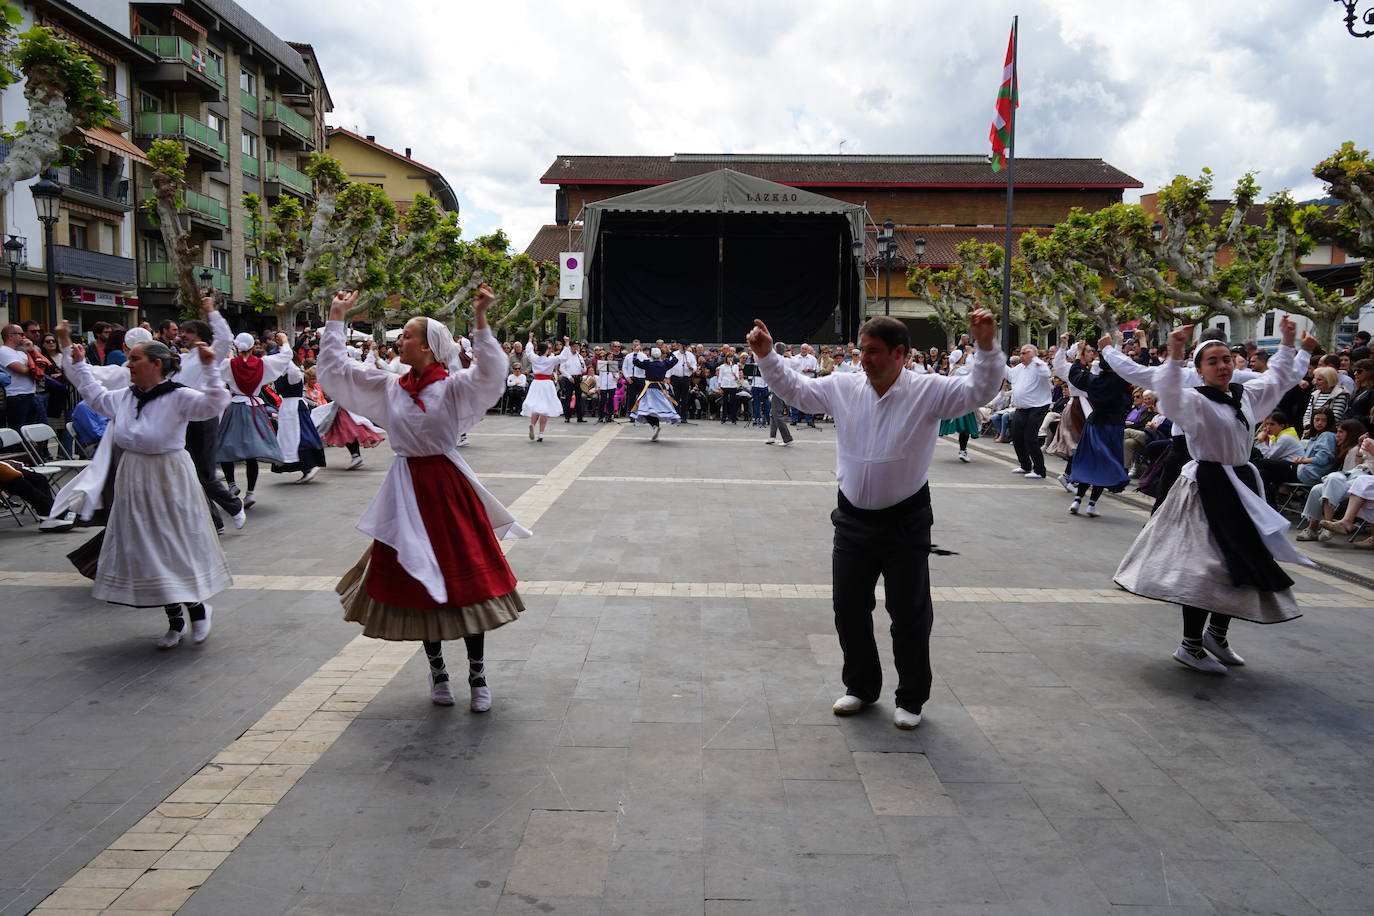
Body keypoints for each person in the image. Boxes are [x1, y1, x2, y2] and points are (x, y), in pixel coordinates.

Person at [749, 309, 1004, 728]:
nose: (864, 359)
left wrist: (986, 345)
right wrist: (766, 357)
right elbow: (797, 390)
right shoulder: (844, 385)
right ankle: (861, 687)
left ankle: (911, 697)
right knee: (848, 608)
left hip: (905, 520)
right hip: (851, 519)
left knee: (908, 613)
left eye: (874, 352)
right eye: (861, 351)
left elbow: (980, 389)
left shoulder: (929, 390)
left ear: (900, 354)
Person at [319, 287, 529, 709]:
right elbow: (336, 374)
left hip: (447, 489)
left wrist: (481, 319)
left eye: (409, 335)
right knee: (418, 584)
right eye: (402, 336)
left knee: (464, 581)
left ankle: (478, 676)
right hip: (406, 489)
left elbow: (492, 372)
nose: (401, 340)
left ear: (430, 347)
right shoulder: (389, 387)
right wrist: (336, 319)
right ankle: (437, 672)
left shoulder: (453, 388)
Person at [1114, 317, 1319, 675]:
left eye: (1227, 359)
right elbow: (1170, 394)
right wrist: (1175, 353)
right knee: (1206, 567)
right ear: (1199, 369)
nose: (1223, 365)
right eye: (1213, 361)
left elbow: (1278, 380)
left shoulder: (1244, 395)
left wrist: (1289, 345)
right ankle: (1190, 644)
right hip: (1207, 486)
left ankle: (1216, 636)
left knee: (1239, 561)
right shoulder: (1193, 400)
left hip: (1240, 484)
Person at [66, 337, 231, 648]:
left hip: (169, 474)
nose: (129, 365)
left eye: (136, 359)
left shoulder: (179, 396)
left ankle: (197, 609)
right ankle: (175, 620)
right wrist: (78, 364)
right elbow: (95, 396)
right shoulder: (125, 398)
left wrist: (210, 368)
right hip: (134, 475)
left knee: (173, 542)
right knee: (145, 546)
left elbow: (214, 404)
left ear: (157, 364)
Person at [216, 332, 294, 508]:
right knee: (252, 452)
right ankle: (250, 493)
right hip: (254, 408)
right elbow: (286, 356)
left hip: (235, 407)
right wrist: (285, 341)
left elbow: (211, 363)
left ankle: (231, 485)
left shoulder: (228, 364)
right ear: (253, 348)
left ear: (236, 348)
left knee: (226, 446)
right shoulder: (263, 363)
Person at [1064, 335, 1133, 517]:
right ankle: (1091, 504)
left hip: (1094, 426)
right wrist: (1140, 342)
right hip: (1113, 427)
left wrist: (1079, 354)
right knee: (1105, 466)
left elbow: (1074, 374)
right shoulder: (1121, 382)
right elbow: (1140, 366)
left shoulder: (1093, 381)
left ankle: (1078, 500)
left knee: (1089, 462)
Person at [269, 349, 327, 483]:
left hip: (295, 408)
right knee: (291, 439)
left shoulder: (294, 372)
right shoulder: (282, 372)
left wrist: (284, 349)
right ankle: (306, 468)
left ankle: (309, 467)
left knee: (298, 438)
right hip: (288, 409)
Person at [1005, 344, 1053, 478]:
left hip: (1038, 406)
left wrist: (1035, 359)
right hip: (1022, 407)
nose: (1021, 356)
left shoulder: (1039, 366)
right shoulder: (1019, 368)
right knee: (1017, 435)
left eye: (1025, 353)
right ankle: (1025, 465)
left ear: (1033, 354)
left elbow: (1046, 373)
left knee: (1030, 437)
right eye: (1021, 353)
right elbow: (1008, 374)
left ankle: (1039, 470)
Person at [937, 347, 980, 462]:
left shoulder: (954, 368)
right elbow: (971, 367)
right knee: (965, 427)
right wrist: (970, 354)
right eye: (962, 356)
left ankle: (963, 450)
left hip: (956, 402)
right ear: (959, 358)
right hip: (962, 402)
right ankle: (963, 450)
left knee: (964, 427)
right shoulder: (959, 370)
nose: (964, 357)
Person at [629, 347, 680, 441]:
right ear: (660, 355)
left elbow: (635, 361)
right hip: (660, 388)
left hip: (649, 388)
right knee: (658, 408)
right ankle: (655, 427)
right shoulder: (664, 363)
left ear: (651, 355)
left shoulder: (648, 364)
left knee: (645, 409)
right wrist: (670, 353)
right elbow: (675, 360)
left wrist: (635, 353)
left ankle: (654, 426)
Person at [521, 334, 562, 441]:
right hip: (546, 383)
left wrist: (530, 339)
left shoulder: (534, 358)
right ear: (546, 351)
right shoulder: (550, 360)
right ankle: (541, 434)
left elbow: (529, 350)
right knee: (544, 408)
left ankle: (533, 425)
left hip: (536, 383)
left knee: (536, 406)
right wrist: (566, 344)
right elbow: (563, 357)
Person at [557, 336, 587, 423]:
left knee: (579, 398)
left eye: (577, 346)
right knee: (568, 398)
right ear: (570, 346)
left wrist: (583, 367)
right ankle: (567, 417)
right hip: (569, 378)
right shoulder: (566, 356)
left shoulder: (579, 356)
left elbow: (584, 369)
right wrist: (569, 376)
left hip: (578, 378)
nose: (576, 348)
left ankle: (580, 417)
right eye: (574, 346)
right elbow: (561, 368)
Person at [717, 352, 742, 424]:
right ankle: (723, 418)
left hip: (733, 386)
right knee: (725, 402)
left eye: (731, 357)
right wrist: (720, 387)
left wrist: (735, 375)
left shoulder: (735, 366)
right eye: (729, 357)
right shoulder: (722, 366)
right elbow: (720, 377)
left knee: (733, 403)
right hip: (724, 386)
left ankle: (733, 418)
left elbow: (737, 378)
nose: (730, 358)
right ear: (726, 358)